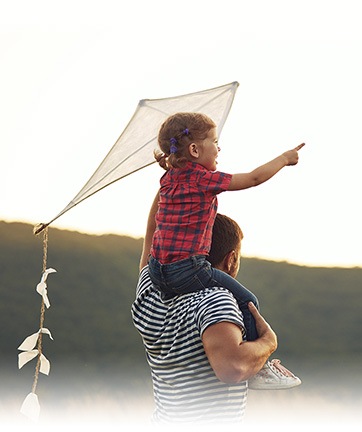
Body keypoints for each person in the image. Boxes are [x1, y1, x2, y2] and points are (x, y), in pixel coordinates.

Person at [146, 112, 304, 384]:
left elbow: (155, 224)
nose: (219, 148)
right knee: (249, 301)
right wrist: (284, 159)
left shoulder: (168, 180)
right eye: (215, 141)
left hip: (156, 270)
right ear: (194, 150)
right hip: (189, 269)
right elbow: (253, 179)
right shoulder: (202, 179)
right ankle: (259, 365)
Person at [132, 211, 279, 423]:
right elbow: (232, 368)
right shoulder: (215, 299)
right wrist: (268, 342)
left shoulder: (151, 291)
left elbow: (152, 231)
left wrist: (173, 179)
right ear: (231, 259)